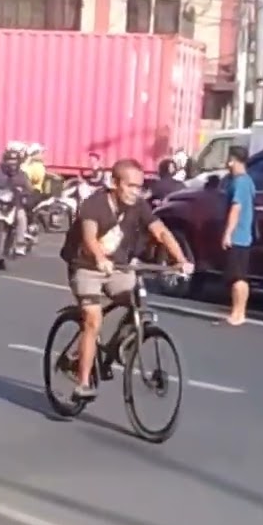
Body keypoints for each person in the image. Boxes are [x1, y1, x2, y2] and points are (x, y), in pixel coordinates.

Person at [59, 158, 192, 400]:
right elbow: (89, 238)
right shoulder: (94, 204)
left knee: (138, 301)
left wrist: (181, 260)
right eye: (130, 186)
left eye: (139, 186)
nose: (135, 192)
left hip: (118, 267)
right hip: (86, 266)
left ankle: (123, 344)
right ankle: (83, 382)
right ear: (114, 183)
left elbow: (160, 231)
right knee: (93, 318)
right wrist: (100, 257)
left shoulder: (138, 206)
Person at [220, 146, 255, 326]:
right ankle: (240, 312)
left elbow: (236, 207)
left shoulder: (240, 182)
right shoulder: (248, 181)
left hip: (238, 236)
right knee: (241, 276)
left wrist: (227, 234)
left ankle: (237, 314)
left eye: (229, 159)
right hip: (245, 236)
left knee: (236, 277)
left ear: (233, 160)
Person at [0, 149, 36, 252]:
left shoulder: (22, 175)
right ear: (4, 160)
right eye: (9, 159)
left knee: (21, 217)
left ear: (18, 161)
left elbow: (29, 188)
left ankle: (20, 244)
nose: (12, 162)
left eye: (14, 160)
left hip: (15, 204)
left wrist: (25, 193)